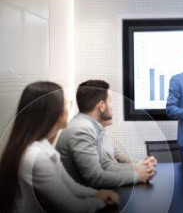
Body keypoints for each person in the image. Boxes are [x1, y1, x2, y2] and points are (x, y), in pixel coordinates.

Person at [0, 81, 119, 213]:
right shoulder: (36, 156)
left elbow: (71, 186)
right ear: (53, 112)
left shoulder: (43, 145)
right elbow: (70, 206)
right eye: (66, 104)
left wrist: (96, 194)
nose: (69, 109)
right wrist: (101, 201)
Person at [56, 80, 155, 188]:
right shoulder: (82, 131)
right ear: (101, 105)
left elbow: (106, 165)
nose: (111, 106)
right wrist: (136, 176)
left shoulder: (90, 127)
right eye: (110, 101)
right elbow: (95, 178)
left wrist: (139, 168)